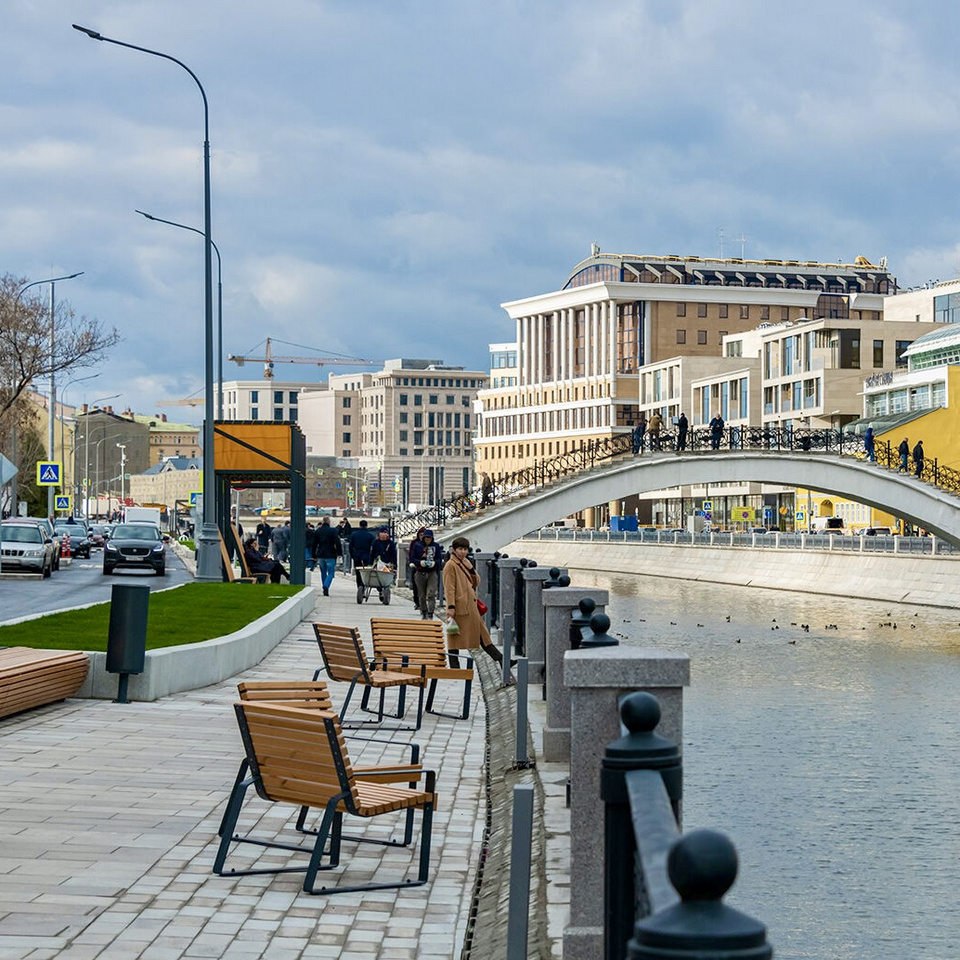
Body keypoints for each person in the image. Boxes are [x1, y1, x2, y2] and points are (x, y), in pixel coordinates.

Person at [443, 536, 507, 665]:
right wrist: (450, 606)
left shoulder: (465, 563)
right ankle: (455, 666)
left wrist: (471, 569)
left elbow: (476, 582)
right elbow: (449, 588)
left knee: (483, 634)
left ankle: (501, 659)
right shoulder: (451, 565)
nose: (463, 552)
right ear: (454, 550)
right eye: (460, 549)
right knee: (454, 636)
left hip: (471, 606)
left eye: (465, 549)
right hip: (460, 607)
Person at [409, 529, 442, 619]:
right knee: (421, 594)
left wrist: (435, 563)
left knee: (431, 593)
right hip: (420, 572)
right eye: (426, 538)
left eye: (429, 538)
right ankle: (423, 611)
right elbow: (412, 558)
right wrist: (420, 562)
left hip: (432, 572)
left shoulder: (436, 546)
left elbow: (439, 559)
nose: (428, 540)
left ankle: (431, 612)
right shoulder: (417, 545)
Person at [313, 516, 341, 596]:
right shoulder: (333, 531)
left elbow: (314, 544)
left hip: (321, 554)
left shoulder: (318, 531)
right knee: (331, 572)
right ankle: (326, 585)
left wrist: (314, 555)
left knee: (323, 572)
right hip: (331, 554)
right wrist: (339, 553)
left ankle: (324, 587)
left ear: (322, 522)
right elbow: (337, 542)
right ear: (329, 522)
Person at [348, 519, 376, 589]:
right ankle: (364, 585)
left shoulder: (354, 535)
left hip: (356, 555)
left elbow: (350, 546)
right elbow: (373, 547)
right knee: (365, 572)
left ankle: (359, 586)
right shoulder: (370, 536)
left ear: (359, 525)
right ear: (366, 526)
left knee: (358, 572)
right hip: (366, 555)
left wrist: (352, 555)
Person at [408, 527, 426, 609]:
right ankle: (417, 601)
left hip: (426, 566)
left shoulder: (428, 543)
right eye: (421, 535)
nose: (422, 536)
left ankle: (423, 602)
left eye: (423, 535)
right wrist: (412, 561)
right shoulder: (414, 543)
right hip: (416, 566)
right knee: (416, 585)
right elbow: (411, 554)